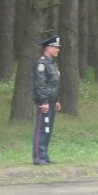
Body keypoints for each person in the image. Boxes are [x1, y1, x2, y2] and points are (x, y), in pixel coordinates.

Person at [32, 35, 62, 165]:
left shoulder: (52, 64)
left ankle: (45, 156)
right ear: (49, 48)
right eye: (56, 47)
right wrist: (44, 101)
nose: (58, 50)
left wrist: (56, 100)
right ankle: (38, 157)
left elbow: (53, 84)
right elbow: (40, 84)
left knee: (48, 130)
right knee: (41, 130)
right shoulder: (42, 64)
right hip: (44, 103)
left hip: (50, 102)